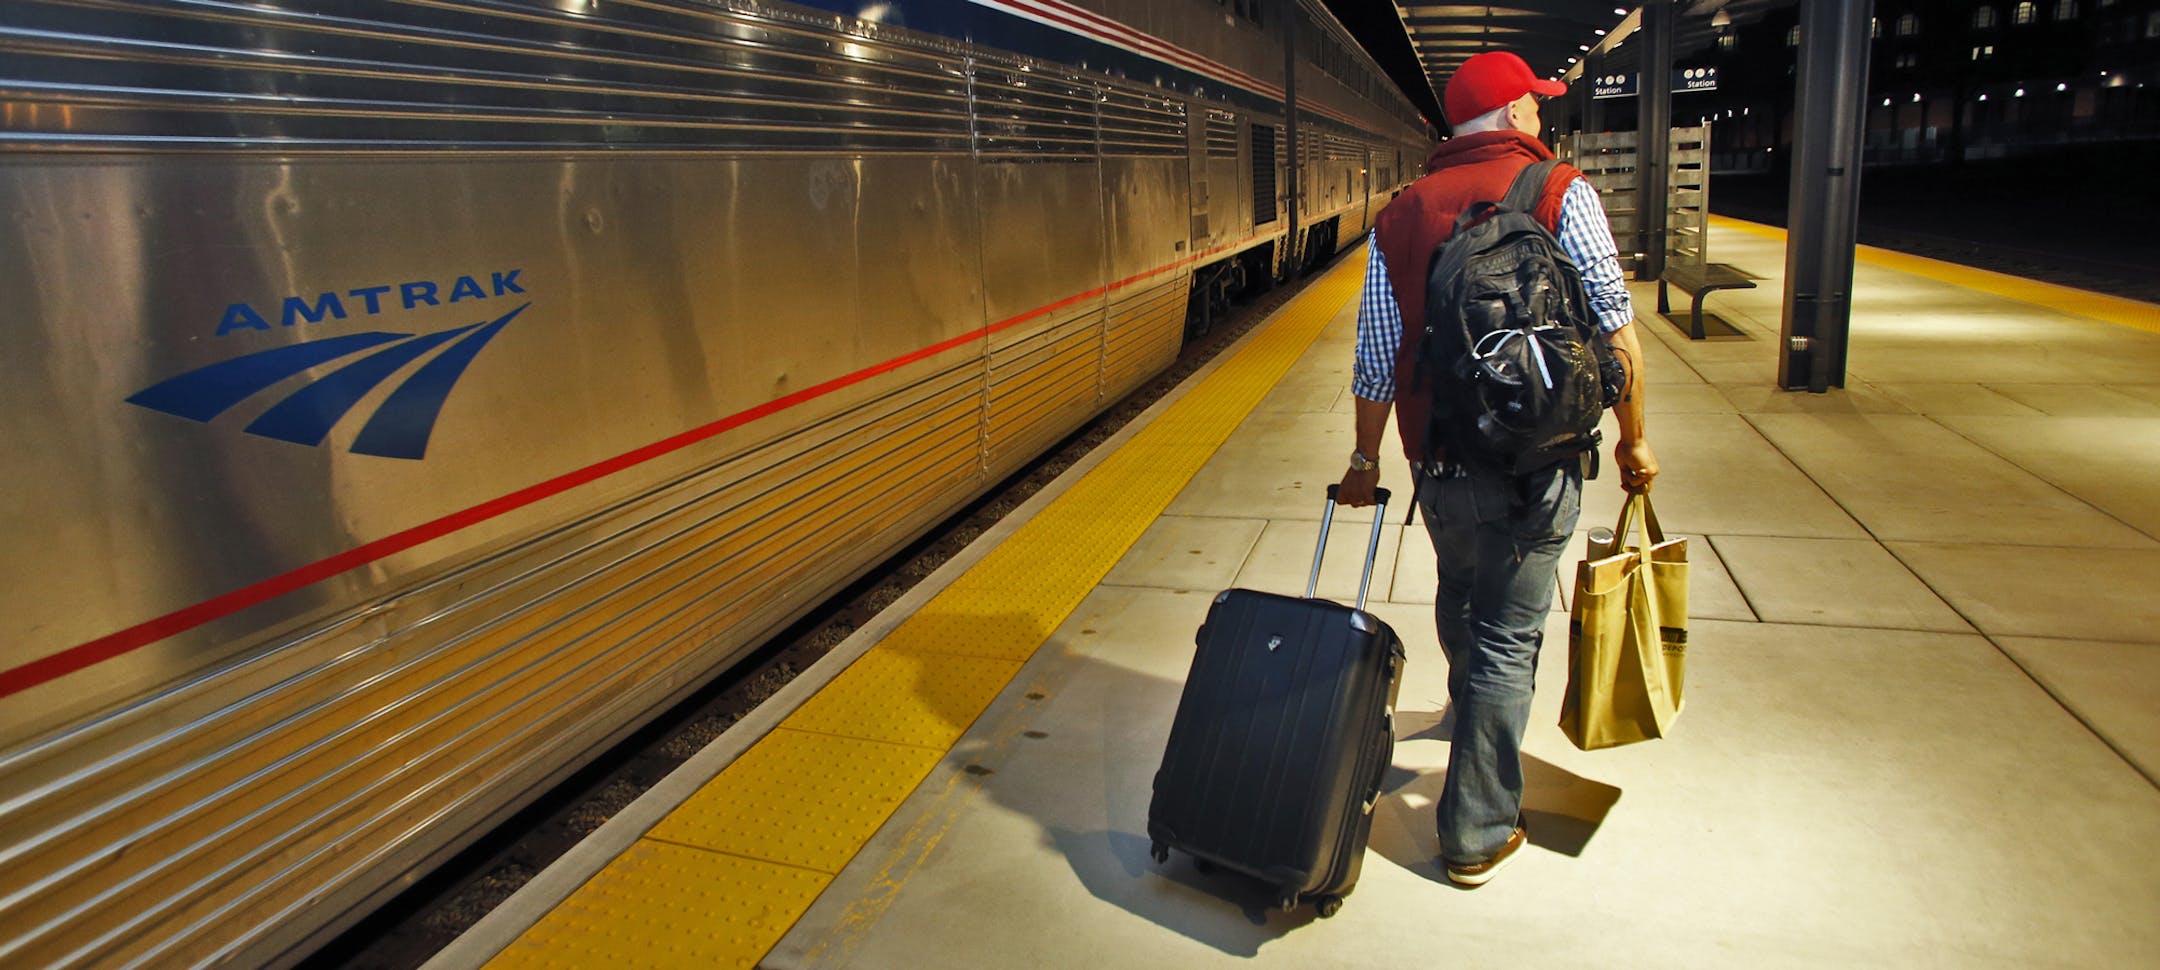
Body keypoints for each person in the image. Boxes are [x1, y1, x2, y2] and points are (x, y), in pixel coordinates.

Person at [1334, 50, 1658, 887]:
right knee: (1510, 634)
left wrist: (1366, 458)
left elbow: (1375, 359)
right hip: (1538, 458)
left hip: (1439, 459)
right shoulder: (1561, 192)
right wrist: (1634, 438)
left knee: (1463, 587)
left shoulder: (1401, 214)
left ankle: (1465, 705)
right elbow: (1617, 329)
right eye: (1536, 105)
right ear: (1513, 114)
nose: (1543, 117)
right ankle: (1477, 829)